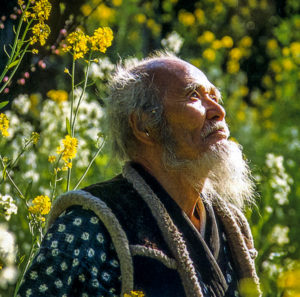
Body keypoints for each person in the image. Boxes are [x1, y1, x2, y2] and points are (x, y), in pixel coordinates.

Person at [18, 52, 261, 297]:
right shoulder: (89, 224)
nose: (219, 111)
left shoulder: (230, 225)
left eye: (215, 97)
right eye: (194, 96)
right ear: (144, 124)